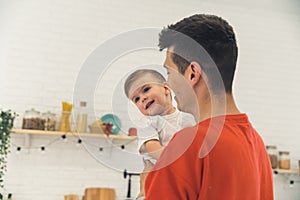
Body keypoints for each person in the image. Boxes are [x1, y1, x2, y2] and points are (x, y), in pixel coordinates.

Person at [144, 14, 274, 199]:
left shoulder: (188, 145)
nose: (168, 84)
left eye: (169, 72)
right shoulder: (257, 145)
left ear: (192, 74)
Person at [124, 69, 196, 199]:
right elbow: (155, 151)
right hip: (156, 188)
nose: (143, 98)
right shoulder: (147, 123)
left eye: (146, 89)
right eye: (136, 99)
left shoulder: (189, 119)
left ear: (166, 88)